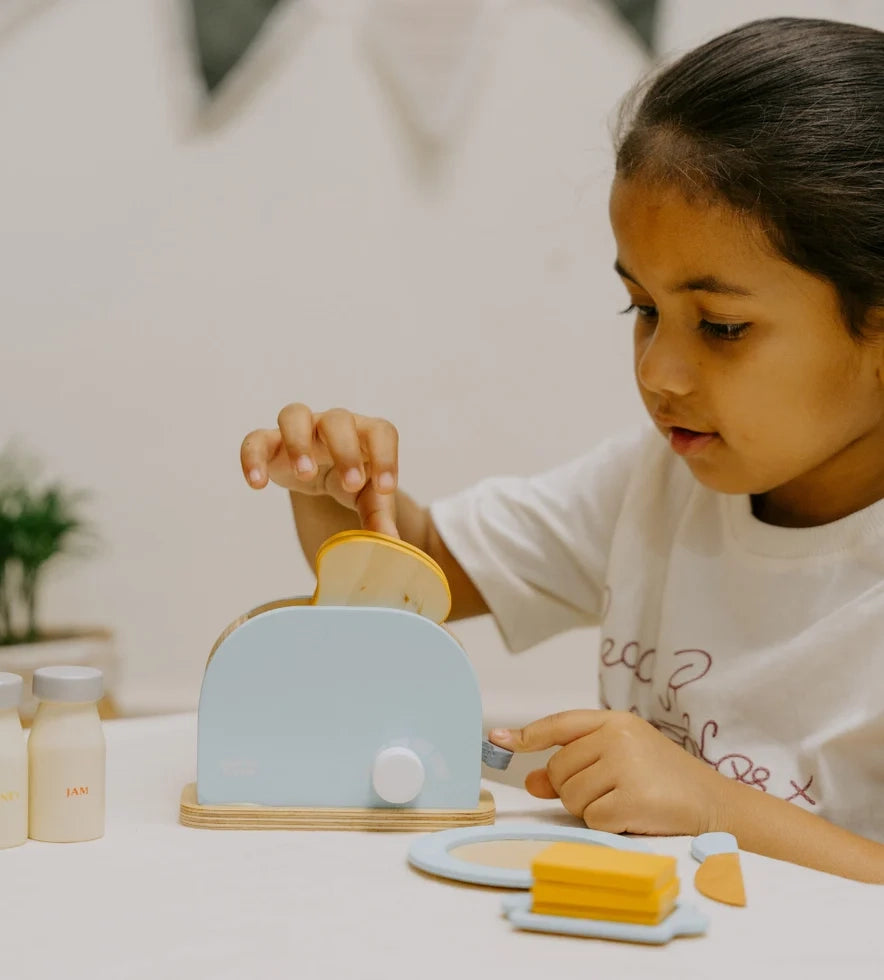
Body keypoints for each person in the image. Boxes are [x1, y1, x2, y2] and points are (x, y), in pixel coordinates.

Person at [239, 17, 884, 883]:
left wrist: (711, 805)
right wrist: (336, 491)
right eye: (642, 309)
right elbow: (421, 574)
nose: (659, 372)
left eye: (722, 326)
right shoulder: (656, 487)